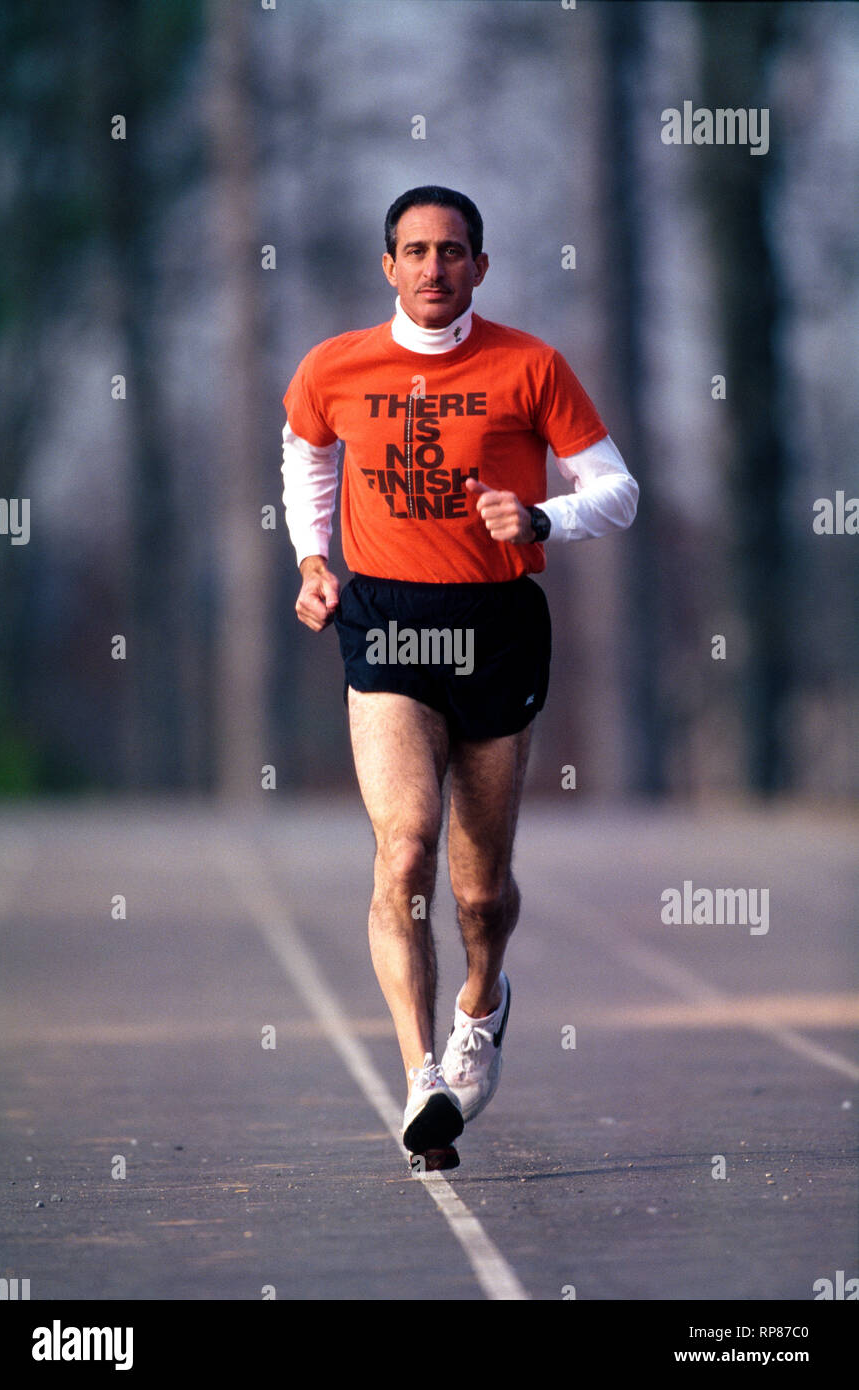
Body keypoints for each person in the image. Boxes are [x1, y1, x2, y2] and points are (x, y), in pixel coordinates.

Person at [282, 185, 638, 1167]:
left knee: (479, 891)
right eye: (414, 250)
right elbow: (307, 460)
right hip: (387, 621)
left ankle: (481, 1005)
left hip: (496, 625)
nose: (433, 267)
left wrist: (545, 520)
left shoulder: (531, 366)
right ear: (386, 265)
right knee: (405, 849)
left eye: (452, 251)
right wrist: (314, 561)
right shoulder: (335, 367)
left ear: (480, 265)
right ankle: (420, 1077)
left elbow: (617, 489)